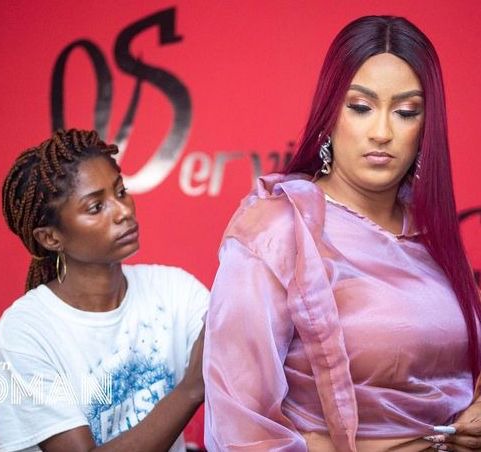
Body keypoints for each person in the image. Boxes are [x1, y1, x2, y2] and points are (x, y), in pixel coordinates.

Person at [203, 15, 481, 452]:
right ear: (331, 111)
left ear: (427, 125)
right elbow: (241, 426)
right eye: (361, 107)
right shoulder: (279, 229)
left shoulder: (431, 233)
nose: (382, 132)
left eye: (406, 112)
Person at [0, 129, 208, 451]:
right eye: (96, 207)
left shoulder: (175, 290)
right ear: (51, 238)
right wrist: (190, 390)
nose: (124, 211)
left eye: (121, 192)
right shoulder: (22, 335)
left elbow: (241, 361)